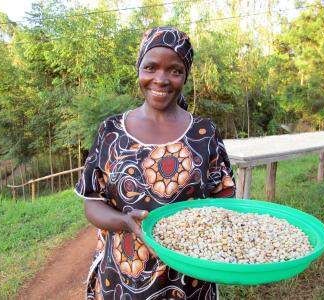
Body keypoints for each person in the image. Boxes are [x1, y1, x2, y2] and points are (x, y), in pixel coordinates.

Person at [75, 26, 236, 300]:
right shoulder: (111, 132)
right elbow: (92, 202)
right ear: (139, 69)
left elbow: (225, 191)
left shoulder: (204, 133)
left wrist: (210, 231)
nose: (161, 79)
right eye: (150, 67)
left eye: (174, 70)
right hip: (125, 276)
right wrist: (125, 221)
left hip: (191, 279)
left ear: (185, 76)